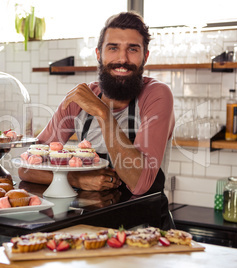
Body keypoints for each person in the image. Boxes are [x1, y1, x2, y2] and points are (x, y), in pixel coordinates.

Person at [18, 11, 175, 229]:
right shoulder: (79, 99)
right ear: (98, 54)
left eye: (133, 49)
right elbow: (26, 168)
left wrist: (102, 113)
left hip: (146, 233)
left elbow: (139, 182)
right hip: (91, 230)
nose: (122, 59)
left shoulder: (156, 95)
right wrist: (76, 180)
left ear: (145, 56)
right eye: (113, 48)